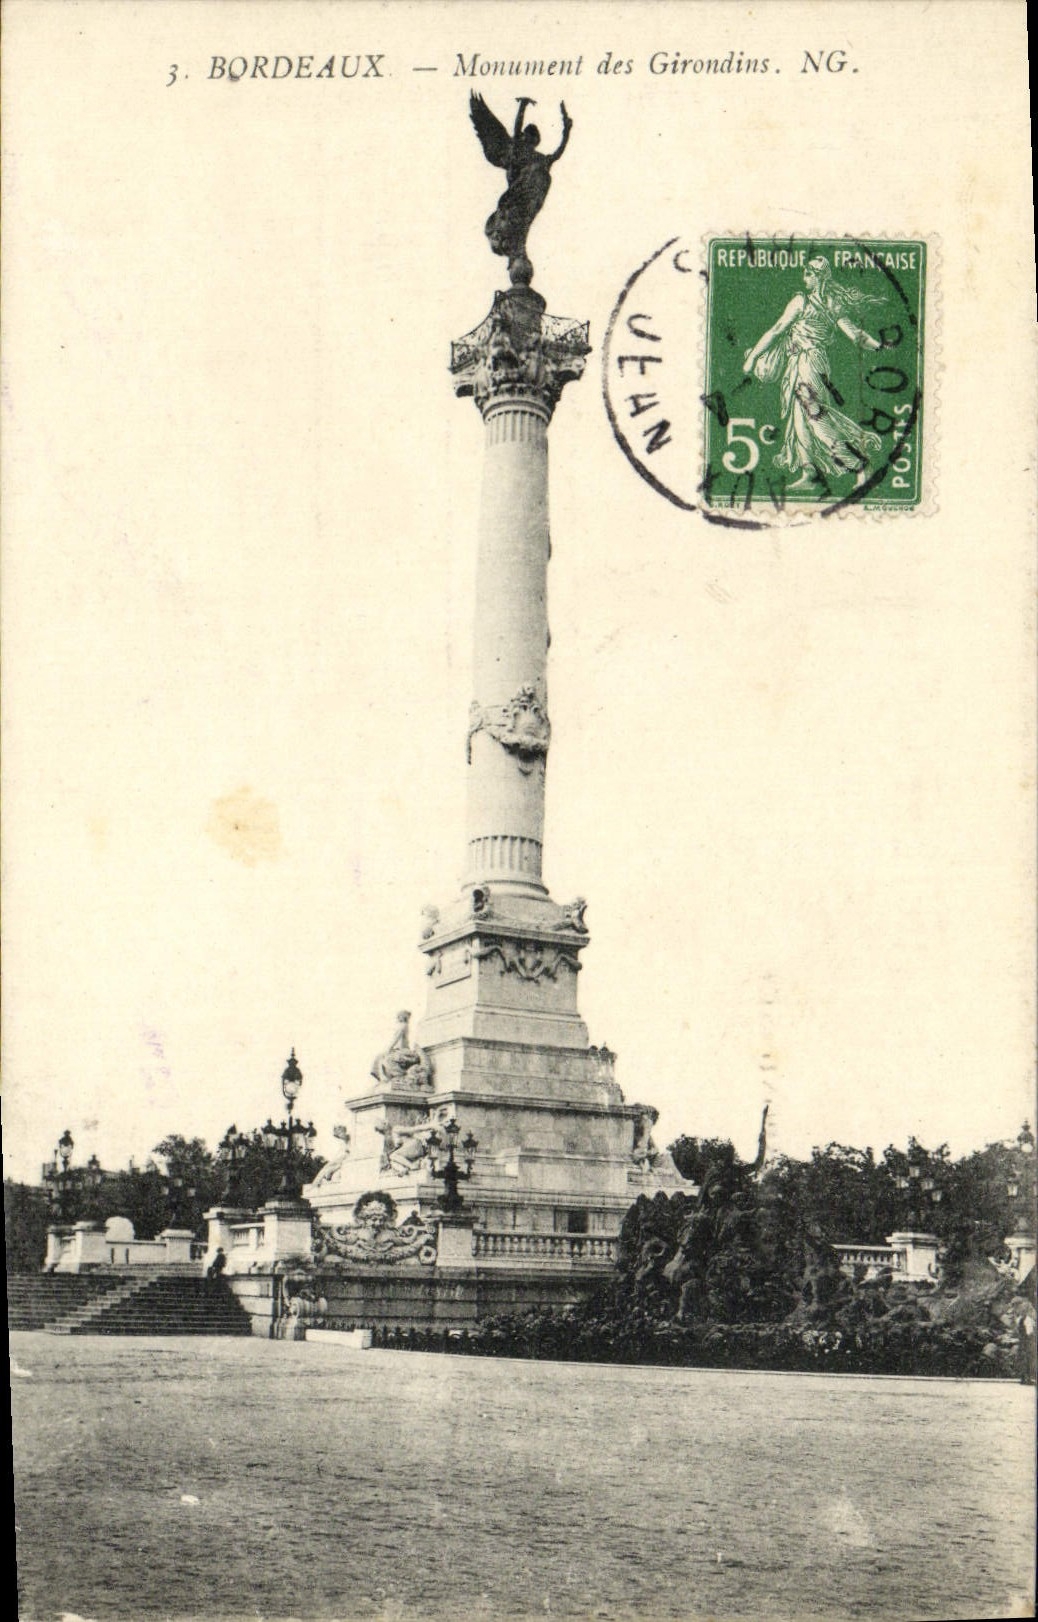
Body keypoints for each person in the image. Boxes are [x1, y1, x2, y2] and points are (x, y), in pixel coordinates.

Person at [742, 256, 884, 490]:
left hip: (809, 363)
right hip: (802, 362)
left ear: (819, 277)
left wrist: (752, 357)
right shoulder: (831, 303)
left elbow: (777, 329)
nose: (804, 277)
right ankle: (810, 474)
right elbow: (855, 335)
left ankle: (860, 465)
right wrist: (877, 345)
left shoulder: (802, 301)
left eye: (808, 273)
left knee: (816, 419)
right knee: (799, 422)